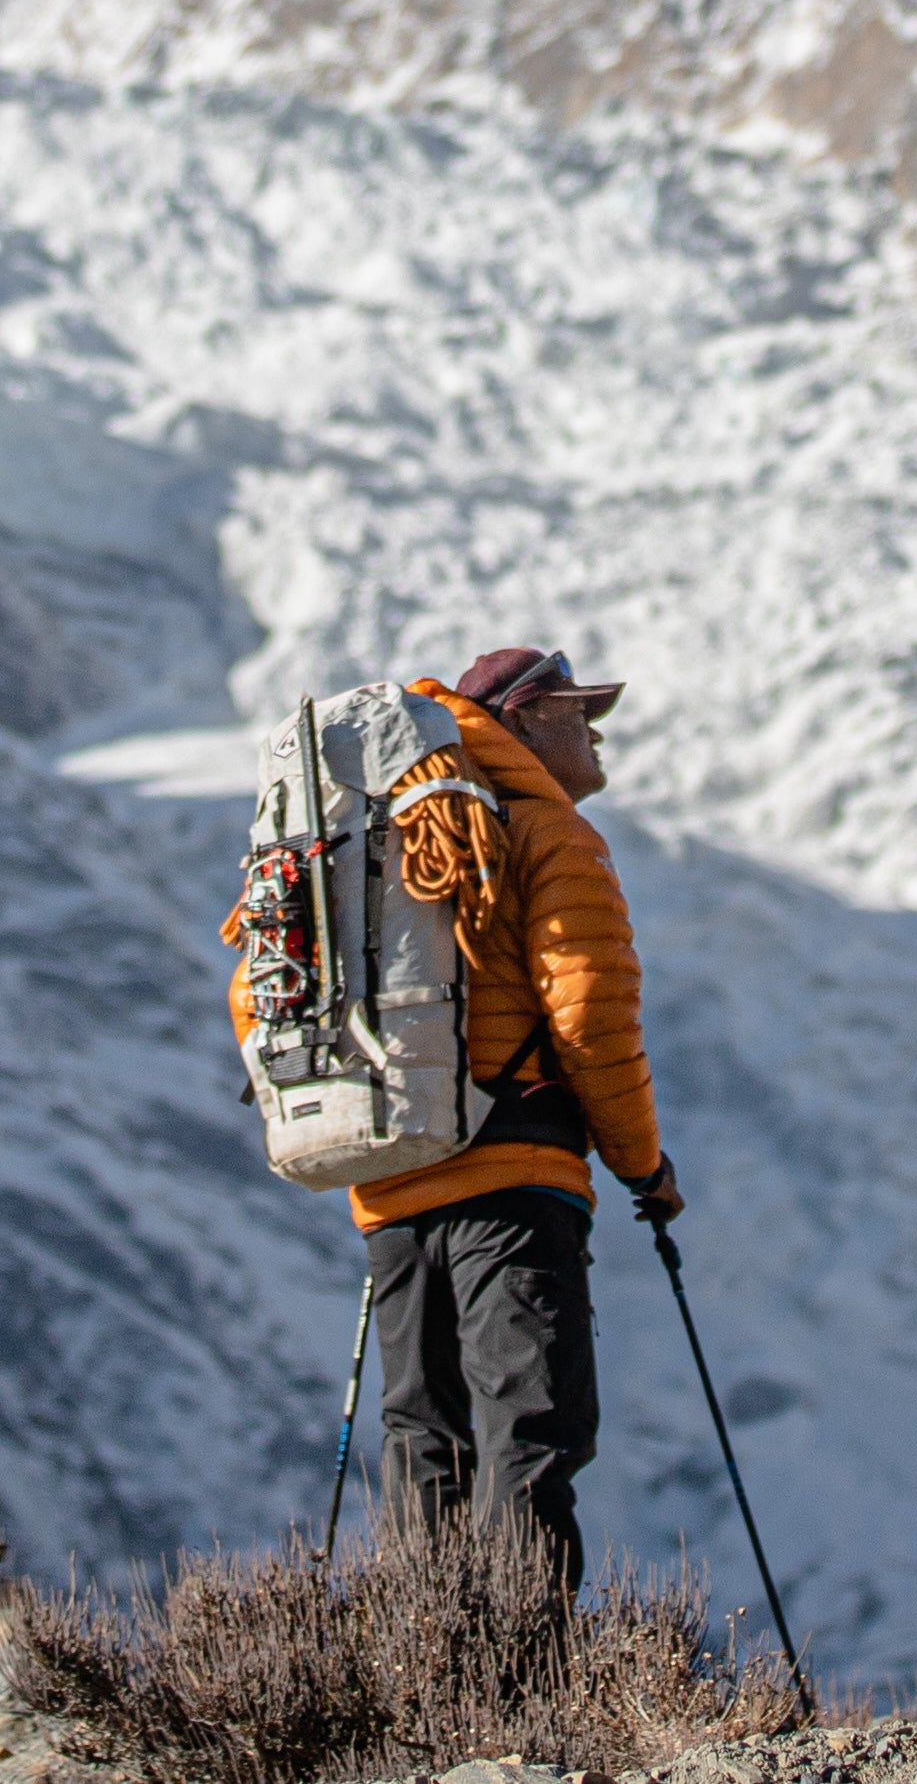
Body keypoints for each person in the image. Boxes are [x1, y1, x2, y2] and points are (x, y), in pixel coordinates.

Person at [356, 646, 679, 1583]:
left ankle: (428, 1689)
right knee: (529, 1428)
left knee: (425, 1434)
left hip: (391, 1176)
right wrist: (643, 1168)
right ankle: (521, 1691)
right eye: (582, 709)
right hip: (513, 1176)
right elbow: (590, 1018)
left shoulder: (380, 827)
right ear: (528, 716)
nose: (598, 727)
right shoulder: (548, 833)